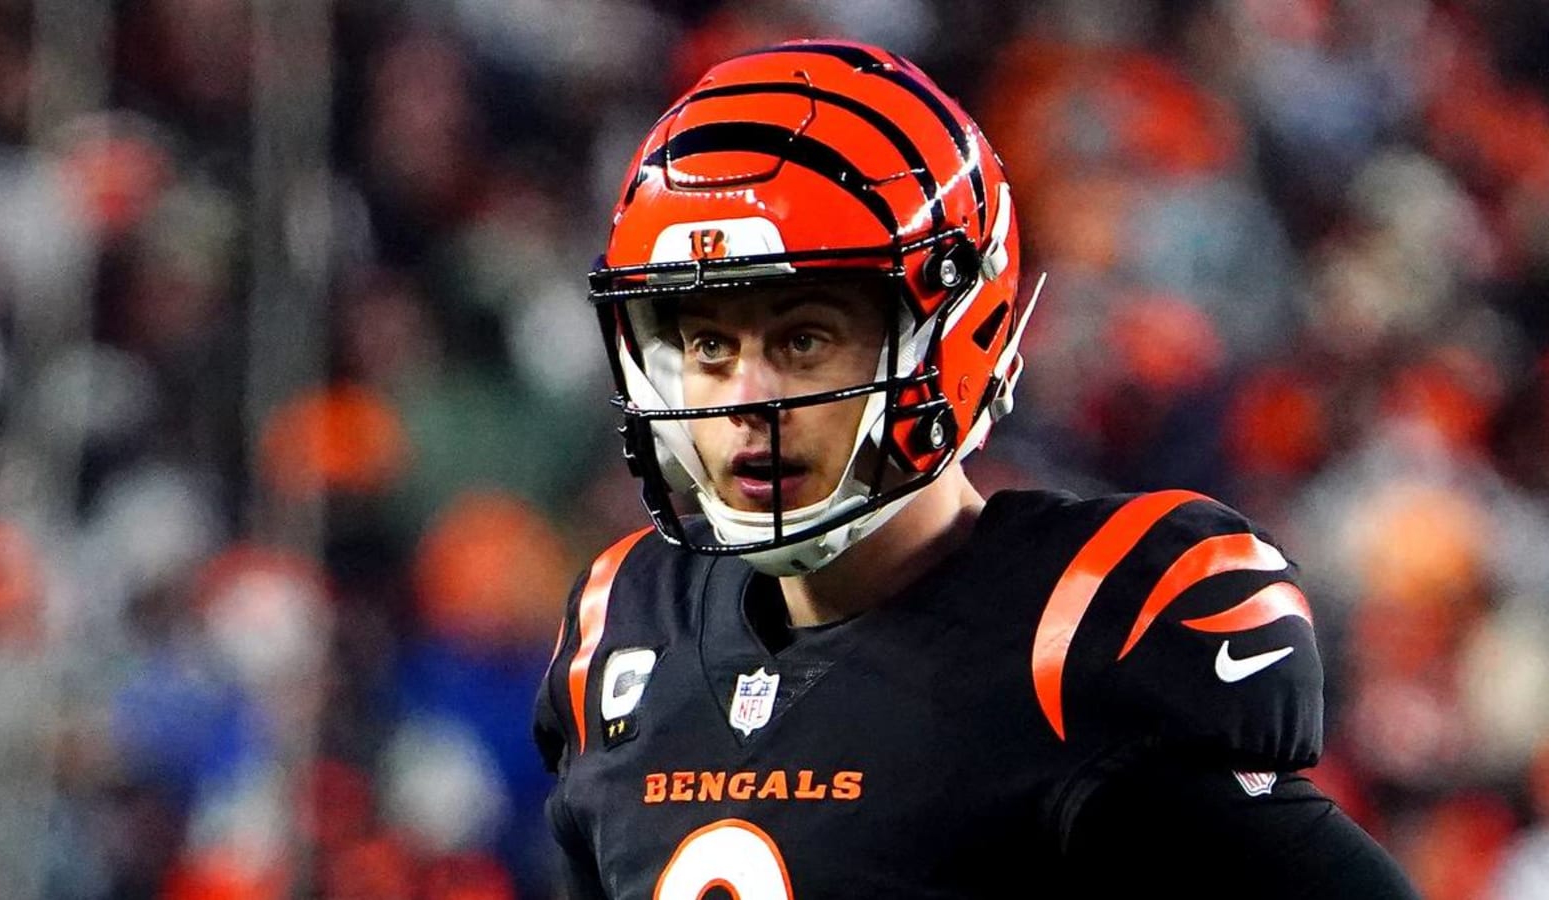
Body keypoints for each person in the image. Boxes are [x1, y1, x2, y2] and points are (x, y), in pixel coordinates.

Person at [533, 39, 1417, 898]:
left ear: (953, 334)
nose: (745, 398)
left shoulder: (1078, 639)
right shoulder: (623, 629)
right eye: (709, 344)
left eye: (804, 340)